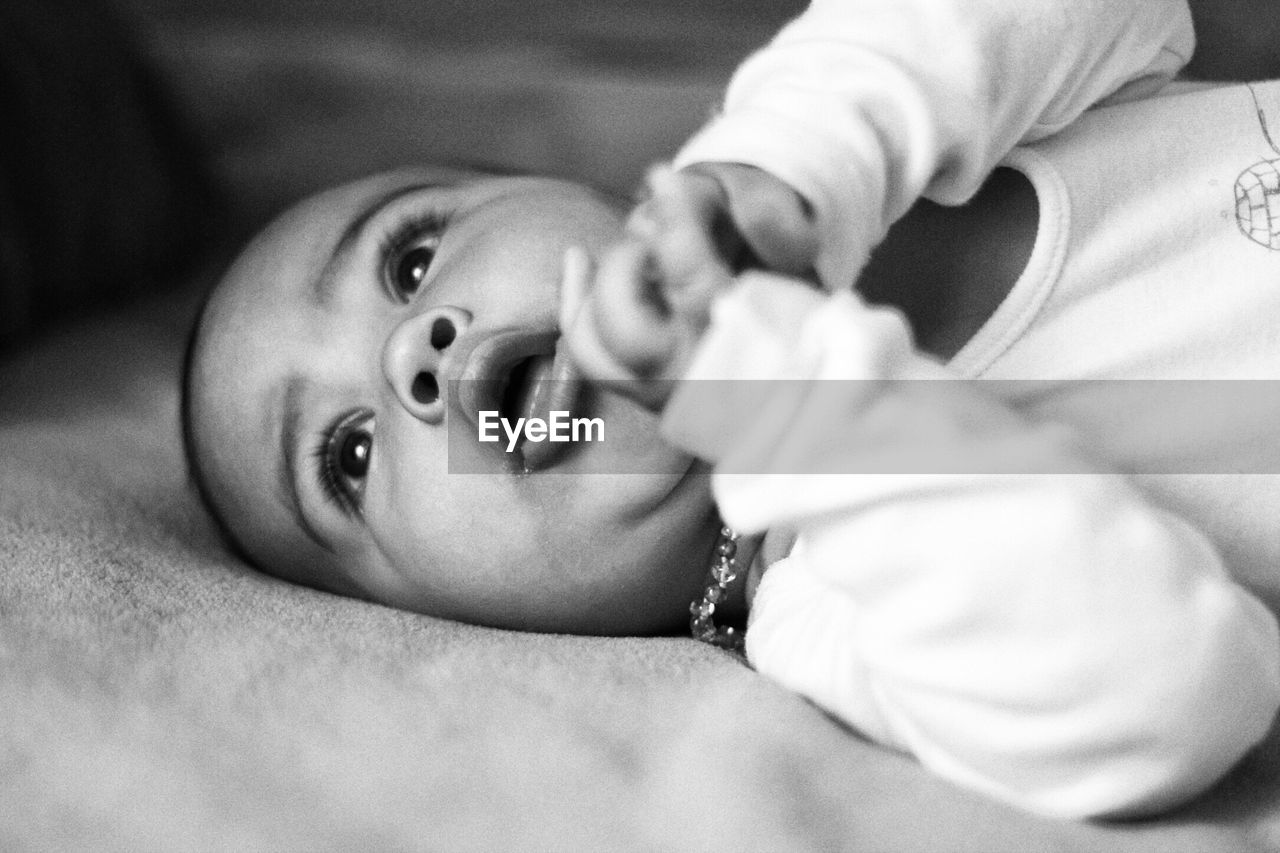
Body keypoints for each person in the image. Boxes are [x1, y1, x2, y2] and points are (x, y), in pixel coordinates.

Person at [182, 0, 1280, 821]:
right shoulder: (833, 616)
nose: (409, 358)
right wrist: (774, 401)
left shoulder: (919, 131)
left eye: (411, 255)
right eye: (350, 454)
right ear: (440, 617)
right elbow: (1175, 689)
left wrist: (793, 158)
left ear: (586, 192)